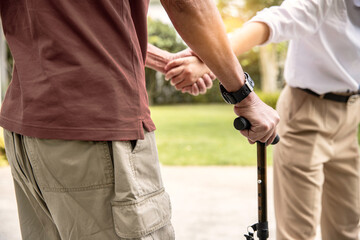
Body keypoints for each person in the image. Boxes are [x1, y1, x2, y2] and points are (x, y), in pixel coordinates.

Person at [0, 0, 279, 239]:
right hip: (99, 128)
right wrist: (244, 95)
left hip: (28, 132)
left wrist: (163, 60)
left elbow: (71, 20)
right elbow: (186, 4)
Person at [165, 0, 360, 239]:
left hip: (350, 117)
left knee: (348, 226)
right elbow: (273, 21)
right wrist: (208, 59)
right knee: (299, 231)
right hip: (306, 114)